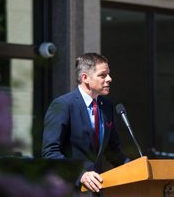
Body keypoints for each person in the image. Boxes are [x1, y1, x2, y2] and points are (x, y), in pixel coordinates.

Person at [42, 53, 129, 193]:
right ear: (85, 78)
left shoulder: (107, 106)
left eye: (109, 74)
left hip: (97, 190)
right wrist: (80, 174)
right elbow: (50, 153)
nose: (109, 79)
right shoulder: (63, 105)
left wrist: (137, 167)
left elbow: (113, 151)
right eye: (103, 75)